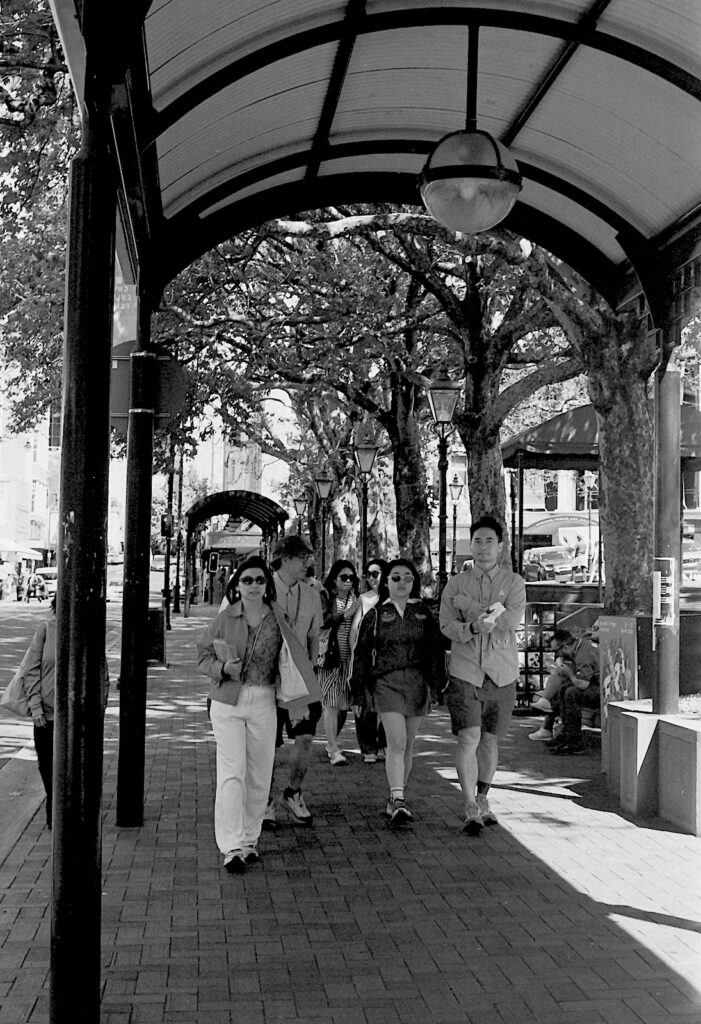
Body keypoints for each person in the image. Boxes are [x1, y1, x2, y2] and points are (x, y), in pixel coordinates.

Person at [197, 555, 320, 873]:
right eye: (247, 580)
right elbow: (203, 654)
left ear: (267, 585)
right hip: (228, 701)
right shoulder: (226, 617)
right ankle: (231, 845)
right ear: (237, 586)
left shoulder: (277, 616)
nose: (253, 585)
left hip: (264, 699)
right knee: (232, 772)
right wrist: (222, 667)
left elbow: (293, 658)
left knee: (259, 773)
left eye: (259, 580)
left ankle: (250, 840)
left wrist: (298, 701)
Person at [440, 515, 526, 835]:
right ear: (470, 544)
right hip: (466, 669)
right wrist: (476, 623)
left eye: (490, 541)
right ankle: (469, 805)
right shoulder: (455, 585)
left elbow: (509, 621)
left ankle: (483, 796)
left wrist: (469, 605)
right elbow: (447, 626)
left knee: (490, 740)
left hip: (502, 672)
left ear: (501, 546)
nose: (483, 547)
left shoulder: (514, 582)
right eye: (477, 541)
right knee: (468, 737)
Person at [350, 557, 444, 825]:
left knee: (408, 745)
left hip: (417, 683)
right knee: (397, 741)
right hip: (387, 683)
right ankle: (398, 796)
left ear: (414, 581)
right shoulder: (377, 614)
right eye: (395, 577)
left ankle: (395, 800)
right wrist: (358, 691)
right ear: (386, 582)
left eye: (407, 577)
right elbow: (361, 654)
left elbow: (436, 652)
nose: (401, 583)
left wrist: (438, 686)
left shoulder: (425, 613)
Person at [267, 535, 323, 827]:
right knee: (268, 744)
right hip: (267, 680)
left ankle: (293, 792)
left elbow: (314, 636)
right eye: (302, 558)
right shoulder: (263, 590)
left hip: (299, 679)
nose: (307, 563)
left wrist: (311, 668)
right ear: (285, 559)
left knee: (305, 737)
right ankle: (265, 800)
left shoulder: (312, 595)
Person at [319, 560, 361, 766]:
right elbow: (323, 621)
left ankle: (332, 741)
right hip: (330, 657)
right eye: (344, 577)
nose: (348, 581)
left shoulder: (357, 599)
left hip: (349, 659)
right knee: (331, 703)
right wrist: (346, 614)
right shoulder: (327, 598)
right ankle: (332, 747)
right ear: (334, 578)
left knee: (343, 705)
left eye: (351, 577)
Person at [349, 557, 388, 763]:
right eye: (369, 574)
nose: (373, 578)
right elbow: (355, 629)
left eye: (376, 574)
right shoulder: (364, 599)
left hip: (387, 661)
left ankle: (383, 743)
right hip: (366, 658)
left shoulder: (394, 599)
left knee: (387, 706)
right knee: (364, 704)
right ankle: (368, 747)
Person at [23, 597, 57, 829]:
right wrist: (36, 708)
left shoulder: (87, 629)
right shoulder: (45, 630)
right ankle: (54, 811)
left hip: (76, 719)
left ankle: (62, 813)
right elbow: (31, 671)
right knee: (47, 767)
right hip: (47, 716)